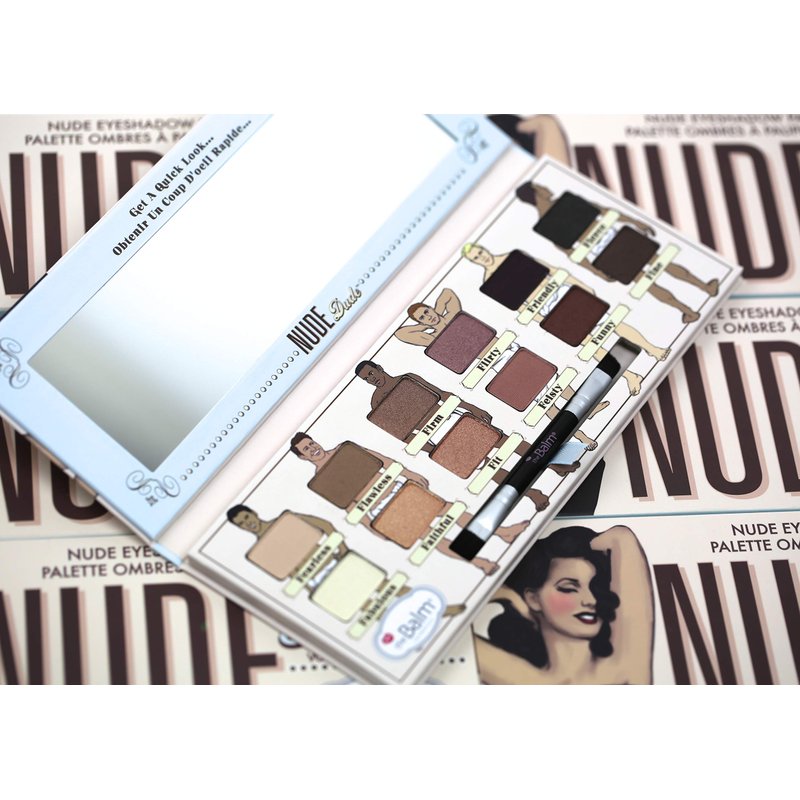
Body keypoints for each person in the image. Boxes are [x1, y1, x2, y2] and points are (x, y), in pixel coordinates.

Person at [289, 432, 532, 575]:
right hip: (380, 509)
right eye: (306, 450)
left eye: (311, 443)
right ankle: (480, 562)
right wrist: (371, 526)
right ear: (302, 457)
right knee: (430, 537)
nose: (312, 449)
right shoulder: (319, 482)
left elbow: (382, 460)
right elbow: (349, 506)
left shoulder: (345, 448)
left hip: (398, 487)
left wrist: (408, 473)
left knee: (450, 511)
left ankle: (502, 532)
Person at [461, 242, 671, 396]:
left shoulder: (513, 255)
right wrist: (542, 320)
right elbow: (519, 307)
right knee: (590, 345)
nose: (481, 257)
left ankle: (652, 349)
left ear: (484, 248)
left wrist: (578, 283)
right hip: (547, 310)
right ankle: (630, 376)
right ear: (473, 262)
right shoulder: (488, 281)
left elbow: (551, 269)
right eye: (476, 258)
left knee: (611, 323)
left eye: (480, 252)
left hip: (563, 292)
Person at [354, 359, 591, 485]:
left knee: (508, 443)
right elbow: (403, 435)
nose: (372, 379)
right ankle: (532, 493)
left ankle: (555, 463)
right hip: (436, 437)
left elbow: (442, 393)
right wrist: (432, 450)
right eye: (366, 379)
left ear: (379, 367)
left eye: (371, 373)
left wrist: (472, 408)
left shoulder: (408, 378)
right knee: (486, 466)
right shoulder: (376, 404)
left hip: (454, 417)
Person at [514, 182, 719, 323]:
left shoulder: (543, 226)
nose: (546, 187)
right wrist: (634, 221)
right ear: (536, 191)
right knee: (661, 263)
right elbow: (605, 212)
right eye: (541, 186)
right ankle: (705, 288)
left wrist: (597, 271)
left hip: (603, 255)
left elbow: (572, 253)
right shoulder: (567, 200)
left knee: (646, 282)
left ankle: (688, 312)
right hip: (619, 239)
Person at [474, 525, 654, 684]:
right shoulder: (524, 680)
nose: (590, 600)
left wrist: (510, 597)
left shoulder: (622, 667)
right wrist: (510, 596)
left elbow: (621, 537)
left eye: (595, 588)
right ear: (533, 599)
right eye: (569, 589)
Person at [226, 505, 466, 618]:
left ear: (253, 513)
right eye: (241, 524)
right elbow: (288, 575)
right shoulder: (257, 554)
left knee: (387, 587)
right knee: (368, 608)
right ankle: (419, 623)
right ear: (240, 528)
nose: (247, 523)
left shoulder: (286, 518)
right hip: (317, 581)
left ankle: (440, 609)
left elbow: (325, 525)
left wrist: (341, 549)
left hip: (335, 560)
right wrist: (312, 588)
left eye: (246, 517)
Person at [393, 288, 461, 347]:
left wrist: (437, 312)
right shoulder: (433, 338)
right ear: (421, 322)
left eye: (426, 312)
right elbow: (399, 333)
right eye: (422, 318)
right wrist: (422, 326)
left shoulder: (452, 315)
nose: (429, 317)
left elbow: (447, 292)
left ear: (431, 308)